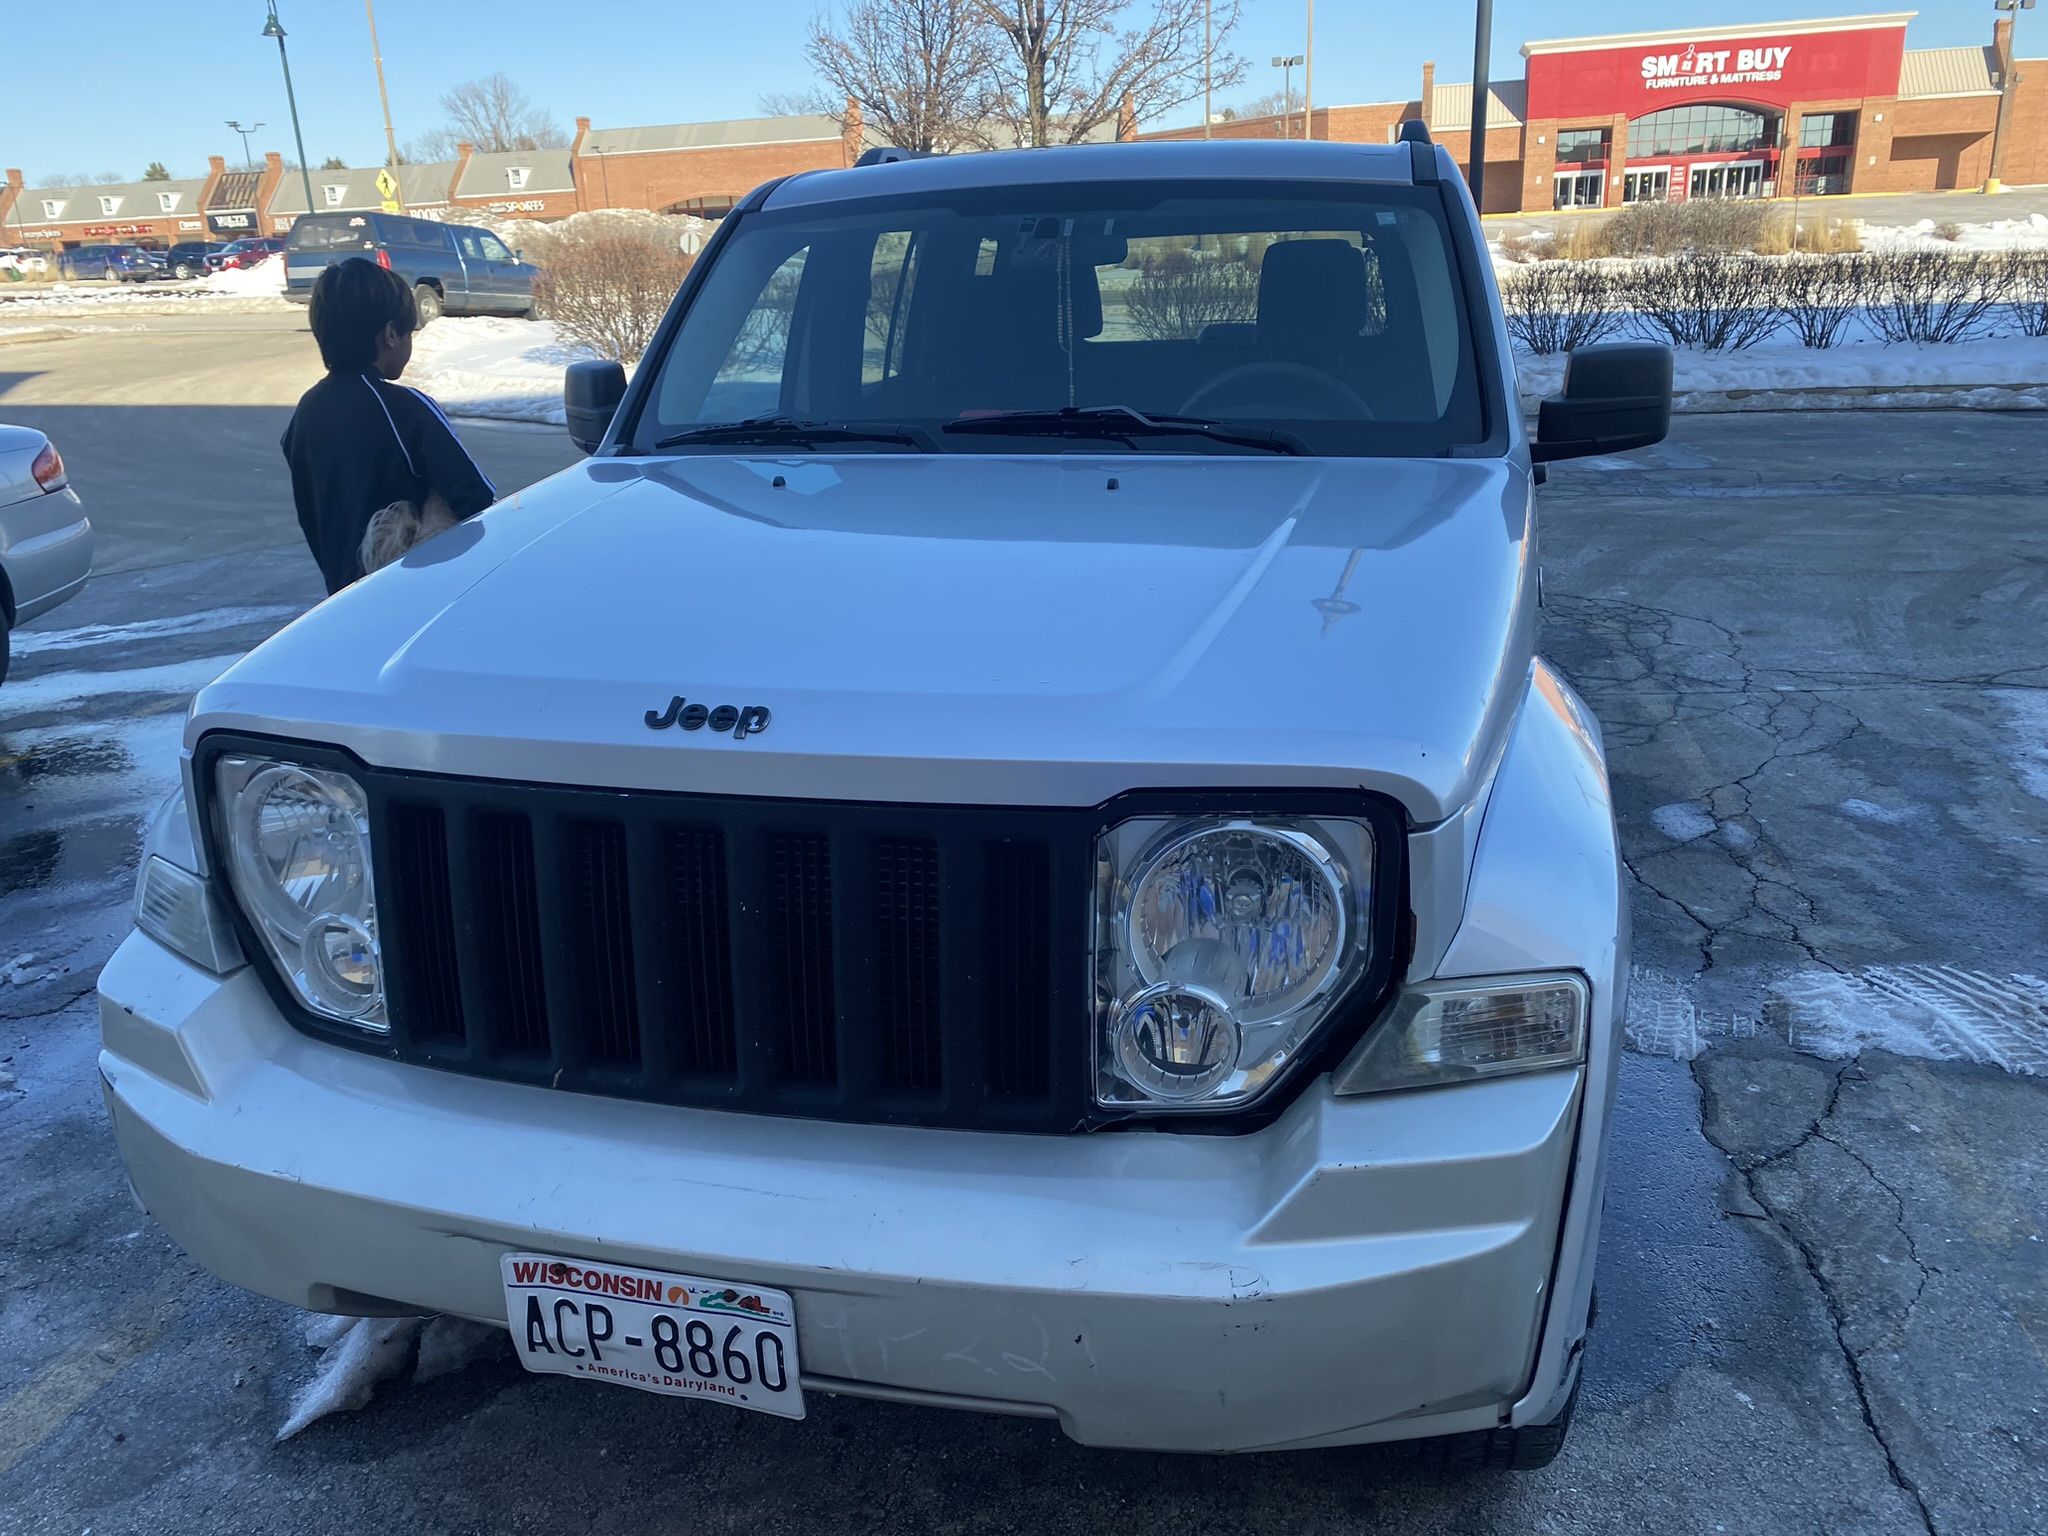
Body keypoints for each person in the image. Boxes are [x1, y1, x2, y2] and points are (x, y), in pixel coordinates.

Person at [280, 257, 495, 594]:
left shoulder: (306, 413)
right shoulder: (403, 407)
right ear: (391, 334)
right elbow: (476, 498)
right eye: (409, 332)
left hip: (345, 597)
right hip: (417, 591)